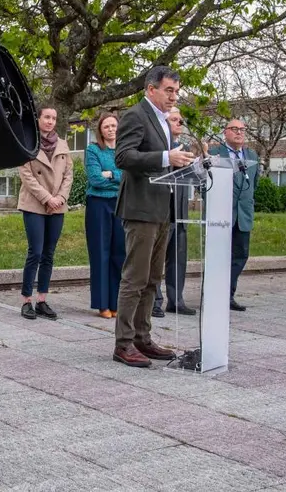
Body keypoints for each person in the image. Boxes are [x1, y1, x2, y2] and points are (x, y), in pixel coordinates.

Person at [112, 66, 195, 367]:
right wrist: (165, 157)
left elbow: (164, 163)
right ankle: (123, 344)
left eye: (176, 90)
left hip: (162, 210)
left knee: (152, 280)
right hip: (140, 209)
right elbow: (122, 157)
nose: (174, 96)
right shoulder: (136, 115)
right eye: (169, 90)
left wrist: (182, 162)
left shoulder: (162, 121)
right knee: (134, 278)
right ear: (151, 89)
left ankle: (142, 338)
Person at [17, 105, 73, 321]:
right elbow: (27, 176)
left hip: (57, 205)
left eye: (53, 118)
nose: (50, 121)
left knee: (49, 254)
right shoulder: (27, 142)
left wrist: (59, 198)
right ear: (38, 119)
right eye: (47, 117)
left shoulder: (63, 144)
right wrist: (47, 198)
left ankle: (42, 299)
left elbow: (69, 175)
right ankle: (26, 300)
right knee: (36, 252)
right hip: (34, 204)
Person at [209, 119, 259, 312]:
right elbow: (203, 183)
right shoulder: (214, 154)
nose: (239, 132)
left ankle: (227, 295)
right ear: (225, 132)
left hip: (243, 214)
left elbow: (254, 184)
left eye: (242, 129)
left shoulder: (251, 155)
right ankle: (213, 294)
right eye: (234, 129)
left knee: (240, 255)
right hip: (220, 214)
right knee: (218, 256)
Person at [152, 109, 196, 317]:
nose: (179, 123)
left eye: (181, 120)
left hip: (180, 210)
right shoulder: (158, 147)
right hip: (161, 209)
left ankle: (176, 300)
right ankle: (154, 300)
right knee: (156, 258)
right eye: (174, 120)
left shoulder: (185, 147)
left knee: (178, 257)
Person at [84, 111, 125, 319]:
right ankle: (102, 304)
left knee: (119, 253)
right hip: (98, 205)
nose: (111, 129)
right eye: (106, 126)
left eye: (114, 125)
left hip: (120, 203)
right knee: (101, 253)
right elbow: (95, 179)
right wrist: (116, 177)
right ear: (100, 130)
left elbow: (129, 175)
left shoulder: (124, 151)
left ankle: (115, 301)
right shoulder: (93, 150)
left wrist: (111, 174)